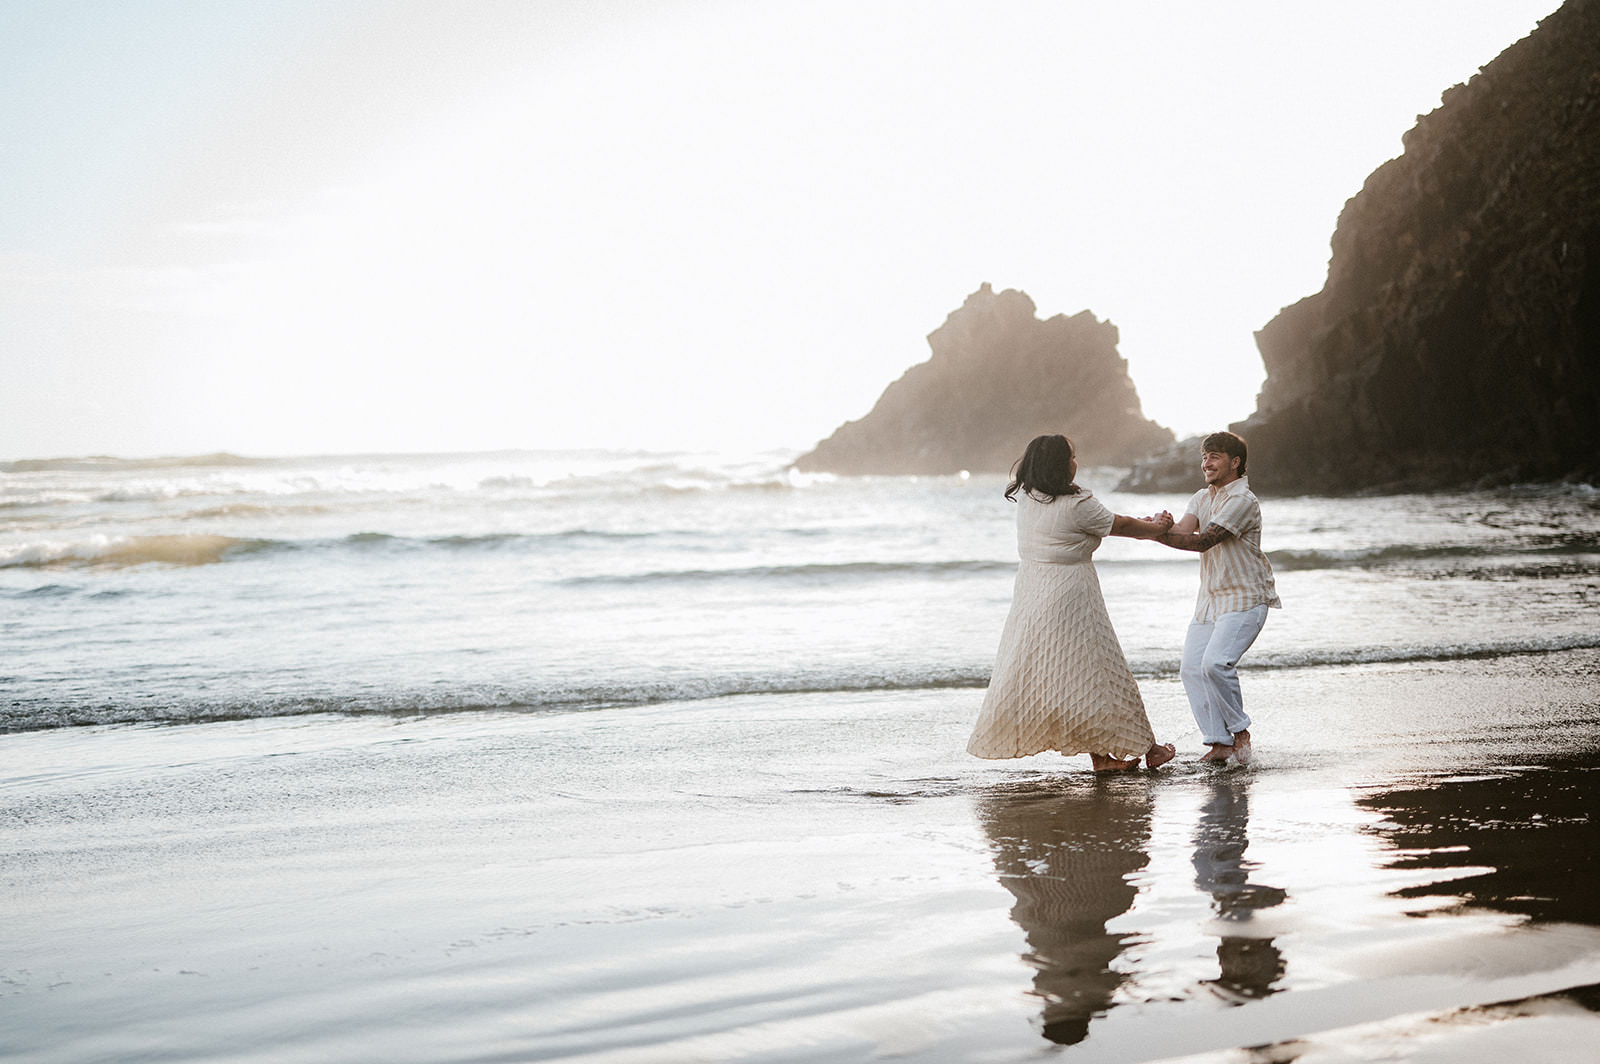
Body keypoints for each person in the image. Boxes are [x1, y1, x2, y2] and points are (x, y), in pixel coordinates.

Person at [967, 434, 1177, 772]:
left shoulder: (1027, 497)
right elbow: (1119, 525)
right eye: (1072, 456)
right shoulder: (1078, 505)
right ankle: (1149, 749)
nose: (1076, 462)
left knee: (1067, 674)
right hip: (1072, 595)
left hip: (1031, 594)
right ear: (1062, 465)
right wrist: (1157, 527)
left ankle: (1104, 758)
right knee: (1102, 669)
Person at [1156, 431, 1281, 764]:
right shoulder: (1201, 497)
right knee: (1191, 670)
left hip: (1245, 599)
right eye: (1203, 457)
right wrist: (1161, 526)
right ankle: (1219, 743)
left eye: (1213, 456)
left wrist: (1153, 533)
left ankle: (1240, 732)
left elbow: (1202, 541)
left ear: (1235, 462)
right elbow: (1183, 532)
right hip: (1210, 601)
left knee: (1215, 664)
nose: (1205, 463)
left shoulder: (1242, 500)